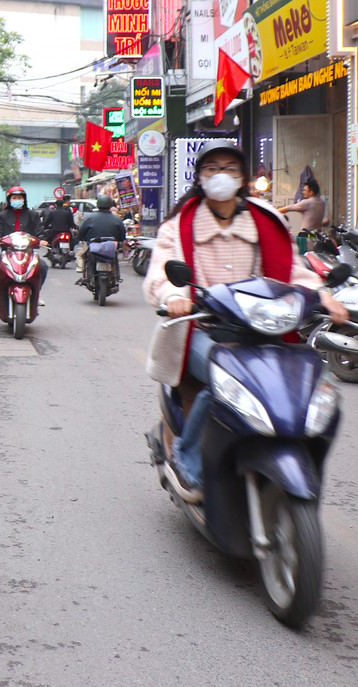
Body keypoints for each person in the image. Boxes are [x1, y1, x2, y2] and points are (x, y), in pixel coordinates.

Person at [143, 141, 347, 494]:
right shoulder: (179, 225)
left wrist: (323, 294)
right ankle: (187, 456)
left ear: (242, 178)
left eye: (230, 168)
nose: (221, 175)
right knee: (226, 379)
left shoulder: (266, 220)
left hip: (262, 324)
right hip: (200, 326)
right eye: (212, 168)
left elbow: (291, 270)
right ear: (200, 177)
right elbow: (160, 273)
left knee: (305, 378)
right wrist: (175, 296)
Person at [0, 186, 42, 306]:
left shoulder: (32, 215)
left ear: (24, 199)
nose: (17, 200)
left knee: (42, 266)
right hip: (9, 252)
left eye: (19, 198)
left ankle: (37, 293)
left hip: (28, 252)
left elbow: (39, 231)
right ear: (9, 200)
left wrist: (42, 240)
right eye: (14, 198)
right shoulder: (2, 215)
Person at [73, 195, 127, 284]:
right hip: (111, 245)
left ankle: (83, 274)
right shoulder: (117, 219)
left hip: (93, 244)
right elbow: (122, 235)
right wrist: (120, 241)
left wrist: (80, 237)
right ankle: (116, 276)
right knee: (114, 258)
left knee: (81, 255)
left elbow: (82, 231)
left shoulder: (90, 218)